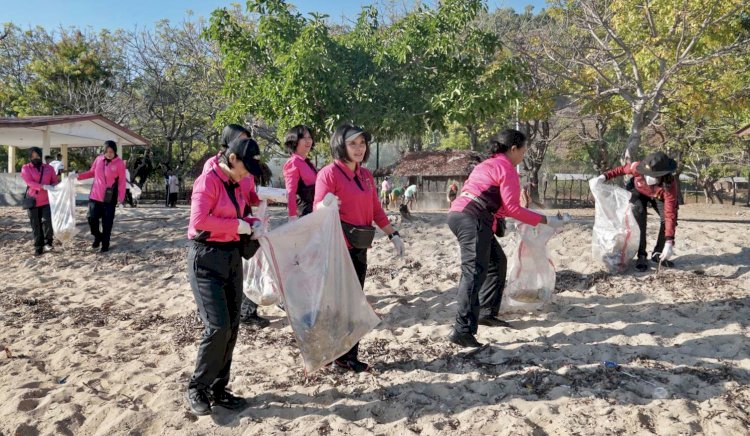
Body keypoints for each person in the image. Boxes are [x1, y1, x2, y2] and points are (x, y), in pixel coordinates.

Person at [447, 129, 565, 348]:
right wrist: (547, 220)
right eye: (524, 150)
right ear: (513, 149)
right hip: (472, 219)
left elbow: (496, 203)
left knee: (495, 262)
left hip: (459, 215)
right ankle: (461, 330)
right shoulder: (506, 168)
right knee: (473, 273)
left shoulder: (485, 164)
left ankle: (486, 313)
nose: (524, 155)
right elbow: (512, 208)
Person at [314, 122, 405, 373]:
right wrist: (327, 204)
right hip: (336, 250)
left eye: (362, 143)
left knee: (354, 304)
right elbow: (317, 209)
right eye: (352, 143)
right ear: (340, 145)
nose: (358, 148)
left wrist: (392, 234)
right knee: (337, 306)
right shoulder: (329, 174)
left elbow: (375, 209)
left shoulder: (365, 175)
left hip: (359, 246)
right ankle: (331, 355)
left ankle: (347, 356)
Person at [185, 137, 263, 416]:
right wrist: (238, 225)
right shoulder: (208, 182)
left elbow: (243, 215)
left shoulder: (237, 185)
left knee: (232, 326)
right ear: (232, 159)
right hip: (206, 260)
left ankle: (219, 388)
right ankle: (197, 387)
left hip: (231, 259)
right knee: (217, 326)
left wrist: (253, 224)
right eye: (247, 166)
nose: (249, 173)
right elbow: (199, 221)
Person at [204, 124, 268, 328]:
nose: (244, 144)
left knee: (248, 268)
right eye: (240, 140)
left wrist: (259, 201)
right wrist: (236, 224)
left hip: (242, 224)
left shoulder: (244, 167)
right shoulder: (213, 169)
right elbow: (202, 216)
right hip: (221, 235)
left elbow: (246, 195)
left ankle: (247, 310)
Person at [595, 151, 679, 272]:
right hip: (638, 192)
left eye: (654, 175)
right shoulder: (637, 167)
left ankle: (658, 253)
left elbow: (670, 213)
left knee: (667, 220)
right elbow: (621, 170)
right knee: (638, 214)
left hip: (658, 196)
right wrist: (604, 176)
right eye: (647, 174)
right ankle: (642, 255)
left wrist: (669, 241)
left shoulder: (670, 185)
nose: (649, 177)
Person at [77, 141, 127, 253]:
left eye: (112, 151)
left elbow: (122, 182)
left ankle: (105, 244)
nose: (109, 154)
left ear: (115, 151)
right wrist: (78, 176)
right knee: (91, 218)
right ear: (103, 151)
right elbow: (92, 172)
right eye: (107, 151)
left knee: (107, 223)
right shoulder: (99, 159)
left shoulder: (119, 163)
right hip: (95, 196)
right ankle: (97, 236)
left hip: (109, 199)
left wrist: (121, 198)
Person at [21, 147, 59, 256]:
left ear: (41, 156)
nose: (35, 158)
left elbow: (55, 182)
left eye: (37, 156)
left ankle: (48, 242)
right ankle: (38, 246)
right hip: (33, 201)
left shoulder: (49, 168)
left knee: (48, 222)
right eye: (32, 156)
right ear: (29, 157)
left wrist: (57, 186)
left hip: (47, 201)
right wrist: (43, 186)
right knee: (35, 225)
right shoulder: (26, 168)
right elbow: (29, 182)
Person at [282, 125, 318, 221]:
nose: (308, 141)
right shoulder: (293, 162)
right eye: (303, 137)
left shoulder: (308, 163)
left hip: (315, 212)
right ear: (294, 141)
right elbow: (291, 192)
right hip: (304, 215)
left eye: (309, 137)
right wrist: (292, 216)